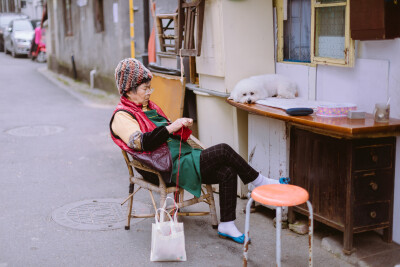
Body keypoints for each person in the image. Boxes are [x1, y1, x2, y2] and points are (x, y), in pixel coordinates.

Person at [110, 58, 288, 244]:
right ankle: (261, 182)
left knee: (227, 171)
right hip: (162, 168)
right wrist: (172, 128)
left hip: (180, 157)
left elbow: (166, 134)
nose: (149, 92)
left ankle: (227, 224)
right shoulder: (122, 116)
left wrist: (180, 126)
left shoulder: (148, 107)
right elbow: (142, 143)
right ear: (129, 90)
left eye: (149, 88)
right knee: (224, 150)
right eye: (145, 89)